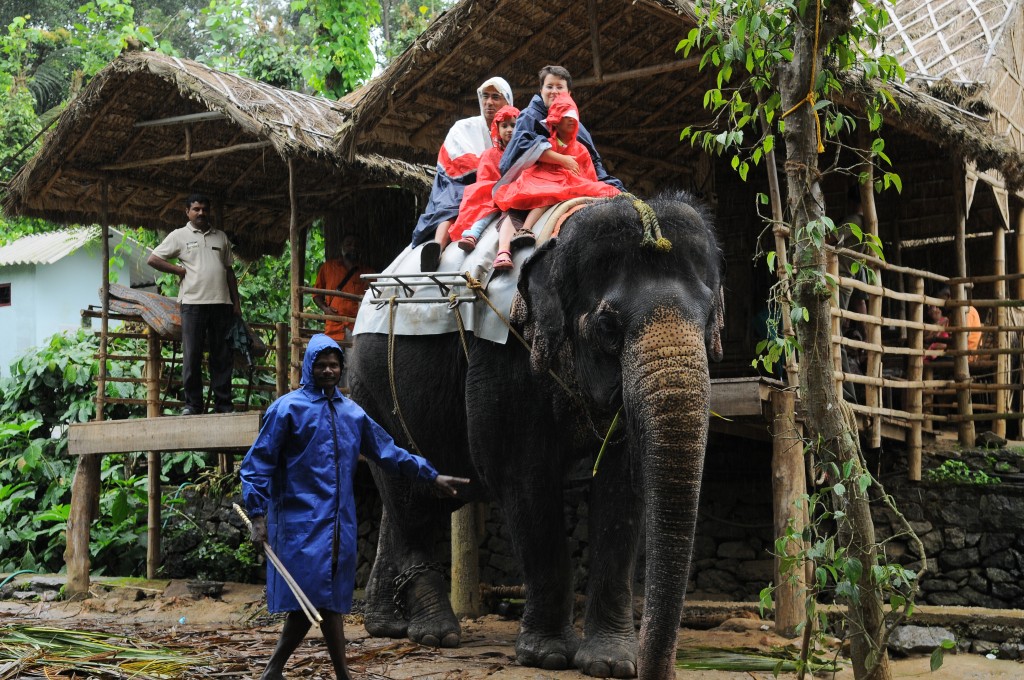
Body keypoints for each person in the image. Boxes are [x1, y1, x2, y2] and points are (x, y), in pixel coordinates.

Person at [240, 334, 469, 680]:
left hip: (339, 525)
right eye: (322, 365)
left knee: (329, 601)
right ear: (309, 367)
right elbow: (257, 464)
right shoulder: (287, 409)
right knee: (310, 599)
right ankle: (283, 670)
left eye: (335, 365)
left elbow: (389, 451)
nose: (329, 371)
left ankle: (327, 673)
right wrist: (257, 515)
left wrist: (431, 476)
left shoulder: (352, 414)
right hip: (300, 522)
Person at [490, 93, 619, 270]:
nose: (570, 123)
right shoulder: (545, 145)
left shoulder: (581, 149)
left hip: (571, 185)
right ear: (555, 122)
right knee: (545, 196)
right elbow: (535, 166)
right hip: (546, 183)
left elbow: (588, 175)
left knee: (604, 195)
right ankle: (516, 238)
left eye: (573, 118)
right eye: (566, 118)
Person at [148, 193, 240, 415]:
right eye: (196, 209)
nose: (201, 213)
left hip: (221, 303)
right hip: (193, 303)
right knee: (192, 355)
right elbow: (153, 259)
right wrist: (178, 270)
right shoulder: (179, 235)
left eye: (204, 209)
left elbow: (229, 271)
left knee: (222, 356)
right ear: (187, 212)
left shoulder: (221, 237)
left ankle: (223, 406)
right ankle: (193, 405)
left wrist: (236, 303)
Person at [413, 77, 514, 271]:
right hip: (459, 181)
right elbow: (462, 163)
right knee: (456, 201)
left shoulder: (514, 128)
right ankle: (438, 246)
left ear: (507, 102)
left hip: (500, 183)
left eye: (495, 97)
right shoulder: (463, 127)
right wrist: (493, 173)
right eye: (485, 96)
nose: (489, 102)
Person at [498, 65, 623, 193]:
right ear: (541, 90)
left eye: (560, 87)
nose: (554, 91)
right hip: (536, 182)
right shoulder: (529, 116)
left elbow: (594, 161)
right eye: (549, 86)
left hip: (577, 181)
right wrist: (561, 160)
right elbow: (522, 147)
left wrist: (607, 184)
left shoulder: (576, 126)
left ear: (569, 93)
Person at [447, 104, 520, 252]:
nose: (509, 130)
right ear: (497, 130)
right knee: (487, 207)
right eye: (504, 126)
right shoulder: (489, 154)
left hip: (517, 193)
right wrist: (500, 189)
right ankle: (473, 234)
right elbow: (484, 180)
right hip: (494, 193)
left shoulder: (524, 151)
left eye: (513, 125)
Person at [313, 234, 370, 343]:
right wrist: (325, 309)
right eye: (349, 244)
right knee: (334, 358)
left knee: (353, 359)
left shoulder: (368, 273)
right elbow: (316, 294)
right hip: (333, 327)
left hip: (356, 328)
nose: (353, 247)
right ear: (342, 247)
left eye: (356, 245)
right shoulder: (328, 267)